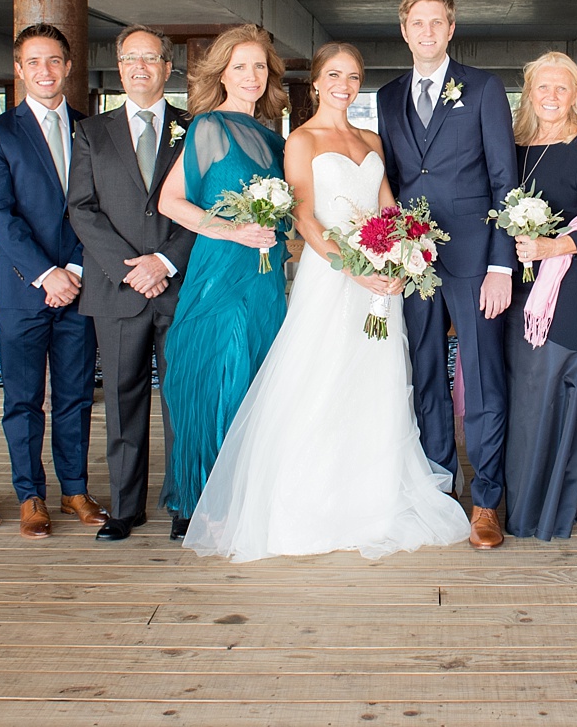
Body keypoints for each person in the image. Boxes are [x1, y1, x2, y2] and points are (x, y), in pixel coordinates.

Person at [184, 43, 471, 561]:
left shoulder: (371, 138)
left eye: (354, 76)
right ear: (315, 82)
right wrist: (354, 270)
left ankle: (375, 497)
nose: (345, 84)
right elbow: (306, 218)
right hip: (333, 278)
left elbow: (390, 209)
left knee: (378, 380)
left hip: (379, 284)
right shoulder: (301, 139)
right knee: (322, 377)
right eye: (334, 75)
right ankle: (313, 500)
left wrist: (403, 258)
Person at [376, 0, 518, 549]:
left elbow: (506, 181)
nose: (427, 31)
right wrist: (385, 249)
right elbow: (390, 179)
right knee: (424, 375)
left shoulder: (483, 89)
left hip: (475, 258)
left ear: (451, 29)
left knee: (483, 378)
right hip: (413, 260)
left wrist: (501, 266)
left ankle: (486, 500)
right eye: (417, 22)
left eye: (437, 22)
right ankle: (438, 488)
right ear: (404, 30)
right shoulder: (387, 97)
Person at [157, 24, 290, 540]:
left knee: (257, 377)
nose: (251, 76)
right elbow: (173, 202)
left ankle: (243, 494)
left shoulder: (276, 140)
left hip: (265, 277)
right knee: (215, 375)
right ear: (222, 73)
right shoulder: (208, 127)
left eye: (259, 66)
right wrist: (234, 229)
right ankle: (196, 499)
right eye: (240, 66)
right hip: (221, 270)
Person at [0, 23, 107, 539]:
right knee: (23, 398)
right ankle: (31, 495)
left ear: (68, 66)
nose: (45, 71)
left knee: (75, 395)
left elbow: (97, 209)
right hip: (22, 287)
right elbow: (0, 214)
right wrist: (45, 273)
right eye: (34, 62)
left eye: (54, 60)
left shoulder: (90, 130)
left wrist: (73, 268)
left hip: (81, 283)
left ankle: (74, 489)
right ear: (20, 69)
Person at [68, 26, 196, 542]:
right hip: (117, 288)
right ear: (118, 68)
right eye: (129, 58)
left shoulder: (195, 128)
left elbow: (208, 207)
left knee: (181, 398)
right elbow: (81, 208)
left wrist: (164, 260)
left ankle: (185, 501)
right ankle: (126, 507)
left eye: (150, 58)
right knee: (123, 398)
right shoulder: (92, 133)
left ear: (168, 68)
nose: (139, 67)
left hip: (177, 283)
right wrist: (130, 267)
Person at [501, 52, 577, 541]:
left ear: (576, 95)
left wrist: (554, 246)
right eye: (541, 88)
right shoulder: (516, 148)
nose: (551, 97)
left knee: (546, 386)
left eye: (561, 88)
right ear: (528, 93)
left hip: (567, 283)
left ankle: (537, 510)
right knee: (526, 387)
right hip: (520, 285)